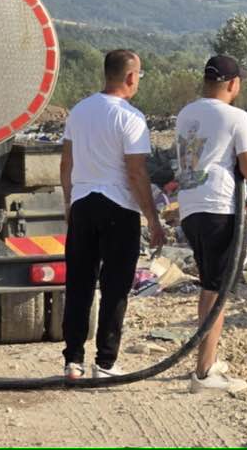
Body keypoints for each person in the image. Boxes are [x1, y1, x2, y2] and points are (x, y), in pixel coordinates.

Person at [59, 49, 166, 380]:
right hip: (118, 207)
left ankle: (73, 361)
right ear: (130, 77)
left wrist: (69, 204)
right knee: (115, 286)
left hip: (82, 203)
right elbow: (136, 173)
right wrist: (152, 218)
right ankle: (105, 363)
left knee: (79, 284)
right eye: (139, 77)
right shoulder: (131, 117)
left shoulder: (79, 111)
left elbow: (66, 164)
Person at [175, 55, 247, 393]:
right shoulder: (238, 117)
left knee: (209, 286)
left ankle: (207, 359)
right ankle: (204, 374)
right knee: (217, 292)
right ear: (232, 83)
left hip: (191, 208)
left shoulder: (187, 114)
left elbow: (215, 154)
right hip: (220, 209)